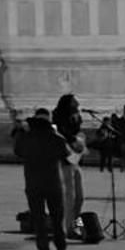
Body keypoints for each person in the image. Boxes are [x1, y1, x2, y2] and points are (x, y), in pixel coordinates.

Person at [14, 106, 71, 250]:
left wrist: (21, 132)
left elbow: (18, 151)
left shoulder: (26, 137)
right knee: (58, 221)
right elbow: (67, 153)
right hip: (54, 183)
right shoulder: (56, 137)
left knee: (39, 222)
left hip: (34, 184)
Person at [52, 93, 85, 239]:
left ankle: (78, 226)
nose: (77, 104)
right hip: (65, 161)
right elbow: (61, 135)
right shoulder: (58, 118)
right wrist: (73, 140)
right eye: (74, 102)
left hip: (76, 160)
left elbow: (78, 134)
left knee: (80, 198)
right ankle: (69, 229)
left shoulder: (76, 118)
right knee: (69, 198)